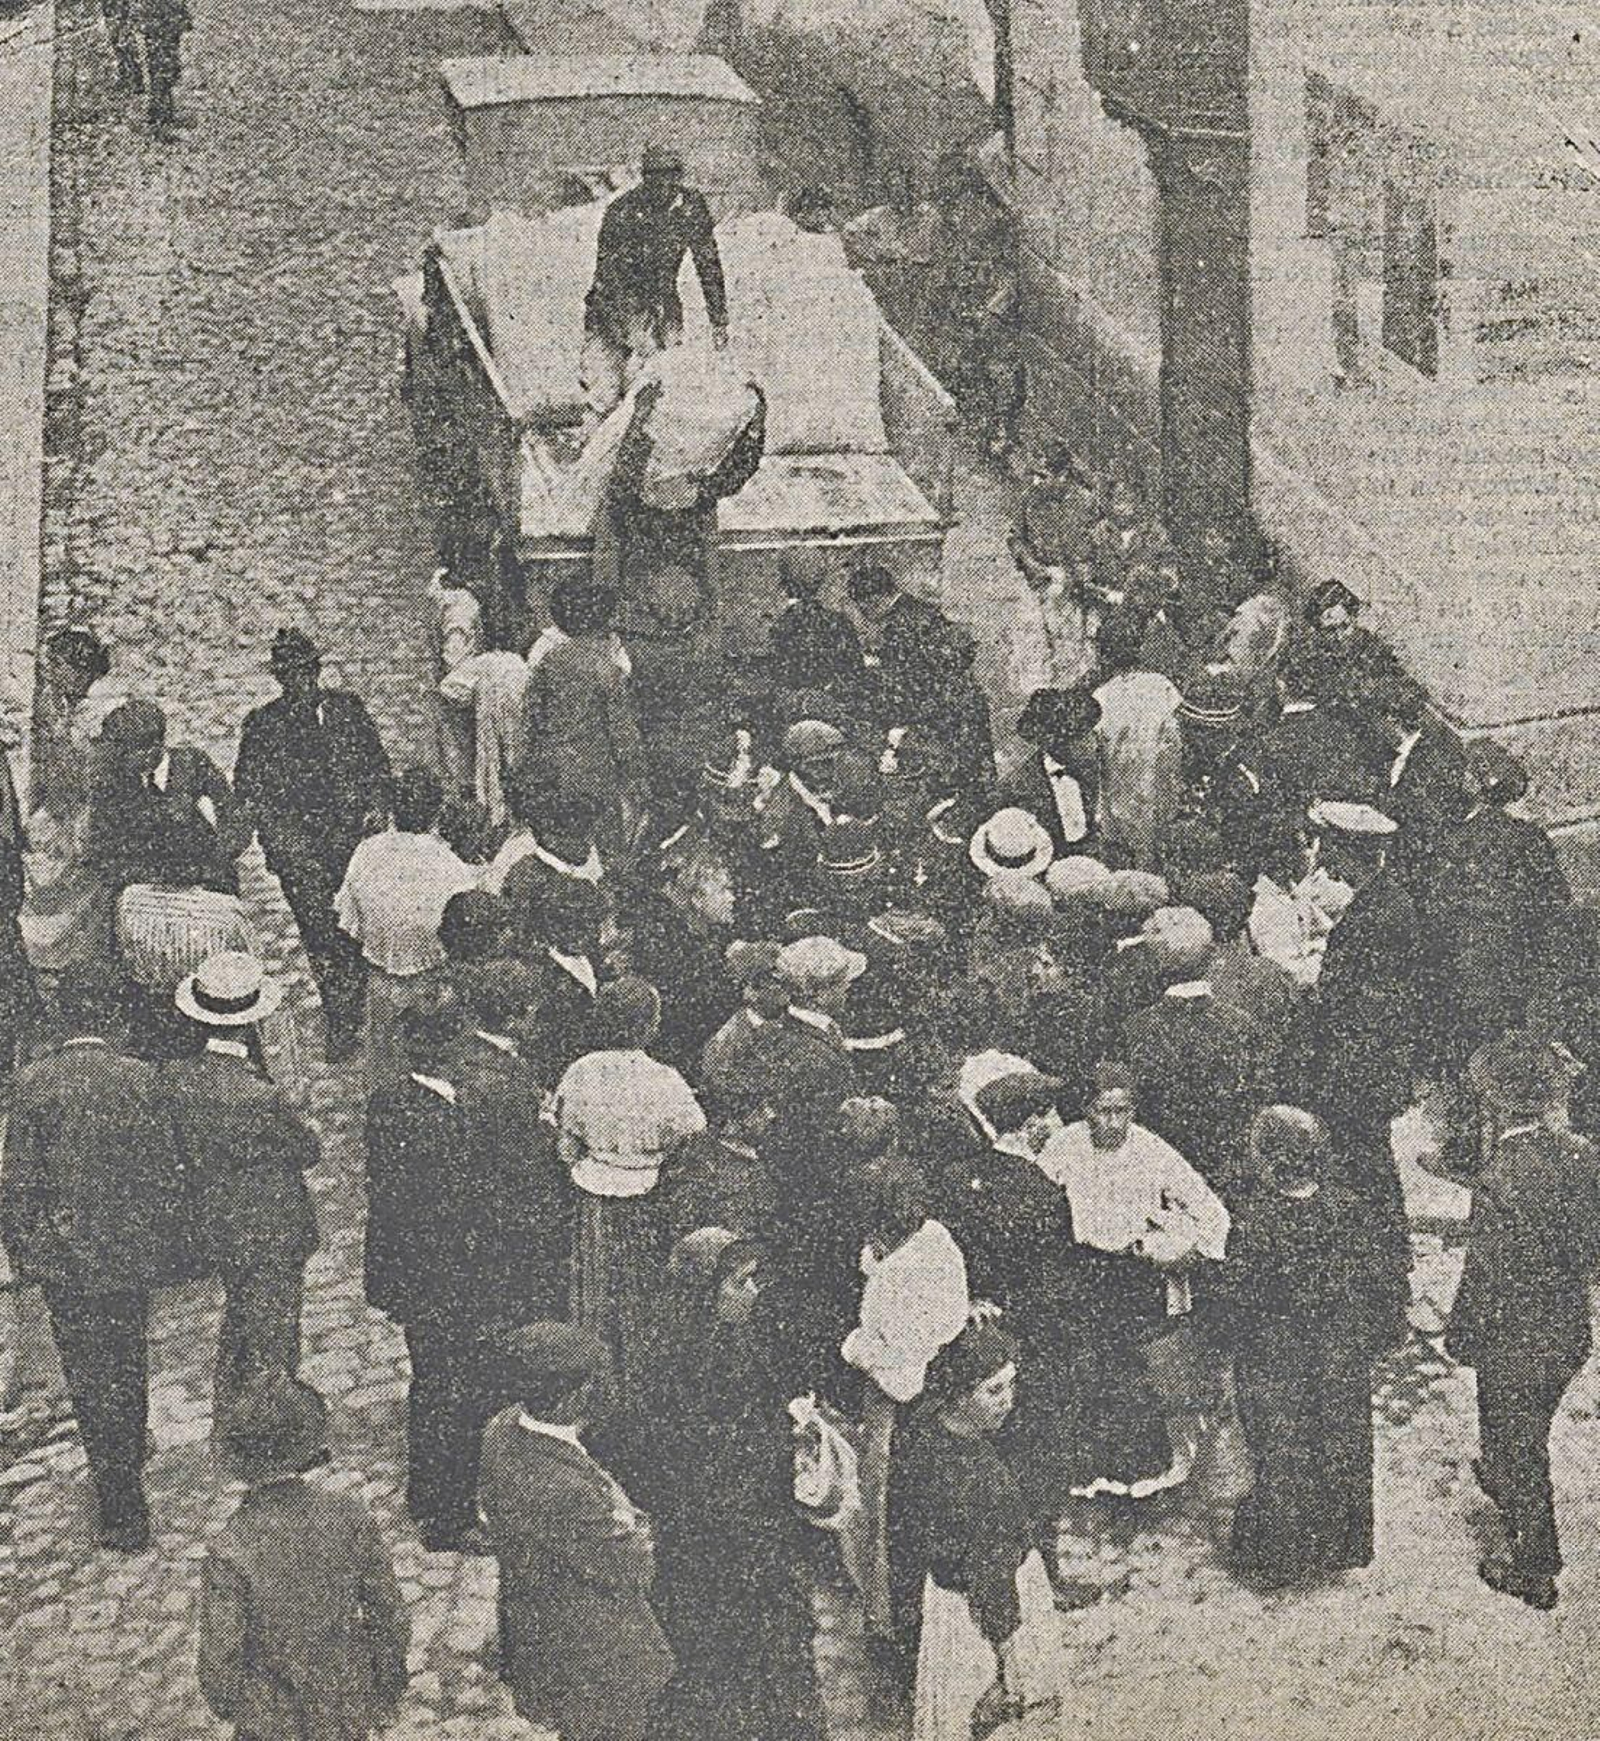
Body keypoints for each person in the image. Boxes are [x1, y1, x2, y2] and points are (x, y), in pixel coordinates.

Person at [591, 1229, 826, 1741]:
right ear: (705, 1291)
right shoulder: (678, 1364)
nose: (754, 1291)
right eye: (741, 1282)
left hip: (752, 1541)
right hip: (722, 1555)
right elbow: (673, 1462)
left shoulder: (735, 1340)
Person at [0, 967, 189, 1550]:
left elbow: (17, 1184)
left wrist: (32, 1257)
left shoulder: (34, 1085)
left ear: (64, 1021)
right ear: (113, 1019)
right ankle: (128, 1456)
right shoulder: (139, 1079)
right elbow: (166, 1173)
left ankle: (118, 1498)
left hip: (65, 1262)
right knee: (127, 1360)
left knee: (87, 1375)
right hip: (127, 1251)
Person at [1209, 1107, 1407, 1589]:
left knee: (1283, 1449)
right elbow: (1378, 1281)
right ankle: (1338, 1545)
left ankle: (1278, 1555)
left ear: (1269, 1160)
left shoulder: (1255, 1220)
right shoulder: (1350, 1207)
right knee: (1339, 1444)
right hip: (1339, 1352)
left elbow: (1240, 1298)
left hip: (1277, 1357)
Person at [1445, 1032, 1600, 1610]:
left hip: (1513, 1336)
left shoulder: (1501, 1176)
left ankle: (1535, 1564)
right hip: (1566, 1330)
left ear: (1497, 1103)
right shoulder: (1585, 1155)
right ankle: (1501, 1475)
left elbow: (1483, 1274)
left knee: (1522, 1443)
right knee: (1517, 1427)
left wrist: (1462, 1335)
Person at [1037, 1062, 1230, 1498]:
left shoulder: (1152, 1150)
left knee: (1133, 1370)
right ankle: (1085, 1469)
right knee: (1086, 1369)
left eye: (1121, 1111)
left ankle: (1139, 1471)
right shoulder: (1063, 1146)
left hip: (1133, 1276)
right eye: (1102, 1112)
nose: (1112, 1122)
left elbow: (1212, 1212)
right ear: (1086, 1110)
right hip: (1081, 1271)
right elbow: (1036, 1203)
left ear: (1133, 1110)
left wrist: (1180, 1248)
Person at [479, 1323, 674, 1741]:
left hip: (540, 1632)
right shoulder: (567, 1492)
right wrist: (634, 1521)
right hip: (594, 1654)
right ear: (578, 1393)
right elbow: (633, 1566)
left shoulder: (502, 1427)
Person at [198, 1373, 410, 1741]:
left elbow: (221, 1655)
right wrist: (386, 1680)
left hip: (271, 1715)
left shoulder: (230, 1547)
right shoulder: (349, 1514)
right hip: (345, 1698)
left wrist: (237, 1707)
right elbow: (388, 1613)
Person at [887, 1320, 1064, 1741]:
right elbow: (992, 1583)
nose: (1008, 1401)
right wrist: (1008, 1665)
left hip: (942, 1605)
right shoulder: (982, 1483)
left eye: (1011, 1385)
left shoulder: (926, 1431)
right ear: (960, 1395)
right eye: (994, 1391)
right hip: (986, 1615)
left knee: (948, 1714)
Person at [168, 952, 320, 1413]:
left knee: (243, 1312)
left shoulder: (177, 1081)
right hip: (270, 1224)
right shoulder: (259, 1095)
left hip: (217, 1219)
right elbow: (307, 1151)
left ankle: (238, 1403)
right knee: (275, 1329)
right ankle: (270, 1422)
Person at [233, 629, 391, 1061]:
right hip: (302, 857)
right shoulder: (262, 726)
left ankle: (366, 1011)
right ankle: (341, 1021)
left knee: (360, 932)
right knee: (321, 938)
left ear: (317, 672)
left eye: (305, 673)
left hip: (354, 848)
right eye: (289, 676)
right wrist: (285, 850)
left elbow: (377, 768)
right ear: (280, 680)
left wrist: (376, 808)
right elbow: (249, 794)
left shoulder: (348, 711)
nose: (298, 683)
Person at [556, 976, 707, 1395]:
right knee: (644, 1294)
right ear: (651, 1025)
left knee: (594, 1291)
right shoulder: (666, 1081)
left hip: (594, 1195)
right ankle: (639, 1384)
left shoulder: (579, 1071)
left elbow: (566, 1145)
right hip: (650, 1197)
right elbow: (692, 1136)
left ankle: (595, 1383)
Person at [334, 765, 477, 1091]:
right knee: (437, 1072)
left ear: (392, 811)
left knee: (385, 1069)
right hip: (434, 984)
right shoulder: (451, 866)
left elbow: (349, 922)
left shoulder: (366, 851)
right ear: (437, 814)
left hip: (381, 980)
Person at [1122, 905, 1268, 1193]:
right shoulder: (1241, 1024)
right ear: (1211, 957)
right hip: (1232, 1171)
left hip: (1164, 1170)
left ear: (1154, 963)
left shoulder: (1138, 1029)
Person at [584, 142, 730, 415]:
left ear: (679, 177)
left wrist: (718, 319)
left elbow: (708, 263)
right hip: (613, 305)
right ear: (645, 179)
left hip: (662, 302)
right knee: (608, 388)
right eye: (655, 178)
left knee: (662, 381)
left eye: (670, 177)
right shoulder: (622, 212)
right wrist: (633, 331)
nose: (663, 186)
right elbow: (610, 277)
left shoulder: (690, 207)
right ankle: (592, 442)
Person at [113, 811, 261, 1063]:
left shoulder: (129, 900)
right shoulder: (226, 911)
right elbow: (250, 969)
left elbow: (125, 955)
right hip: (210, 1015)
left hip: (152, 1016)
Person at [525, 579, 649, 858]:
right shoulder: (607, 669)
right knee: (603, 850)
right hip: (593, 774)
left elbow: (533, 717)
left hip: (552, 770)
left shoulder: (551, 660)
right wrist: (637, 774)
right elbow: (623, 733)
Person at [88, 698, 249, 896]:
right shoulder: (113, 780)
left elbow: (236, 820)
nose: (116, 759)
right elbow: (102, 843)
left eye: (125, 753)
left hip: (207, 884)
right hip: (143, 889)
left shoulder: (193, 763)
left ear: (153, 747)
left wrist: (214, 863)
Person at [1092, 612, 1184, 869]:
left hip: (1120, 796)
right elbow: (1175, 738)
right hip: (1159, 788)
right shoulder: (1162, 686)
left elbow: (1098, 754)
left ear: (1104, 654)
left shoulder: (1102, 697)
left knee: (1124, 868)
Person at [1001, 686, 1102, 856]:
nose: (1095, 741)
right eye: (1083, 736)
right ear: (1057, 742)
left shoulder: (1094, 766)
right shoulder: (1019, 786)